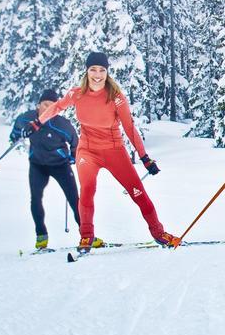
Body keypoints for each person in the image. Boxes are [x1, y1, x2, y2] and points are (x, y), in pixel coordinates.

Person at [21, 52, 179, 252]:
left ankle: (159, 233)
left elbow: (130, 128)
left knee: (138, 192)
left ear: (107, 72)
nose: (97, 74)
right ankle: (86, 238)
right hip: (87, 150)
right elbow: (57, 107)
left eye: (102, 70)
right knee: (87, 191)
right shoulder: (76, 93)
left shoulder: (116, 98)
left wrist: (144, 158)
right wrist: (37, 123)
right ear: (86, 71)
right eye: (93, 69)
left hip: (114, 150)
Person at [10, 89, 81, 250]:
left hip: (60, 165)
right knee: (35, 198)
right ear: (38, 105)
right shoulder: (27, 119)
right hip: (37, 164)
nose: (48, 108)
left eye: (52, 106)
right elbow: (16, 129)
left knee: (75, 199)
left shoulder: (62, 124)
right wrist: (16, 136)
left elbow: (75, 141)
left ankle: (87, 234)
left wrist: (73, 156)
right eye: (45, 105)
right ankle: (41, 236)